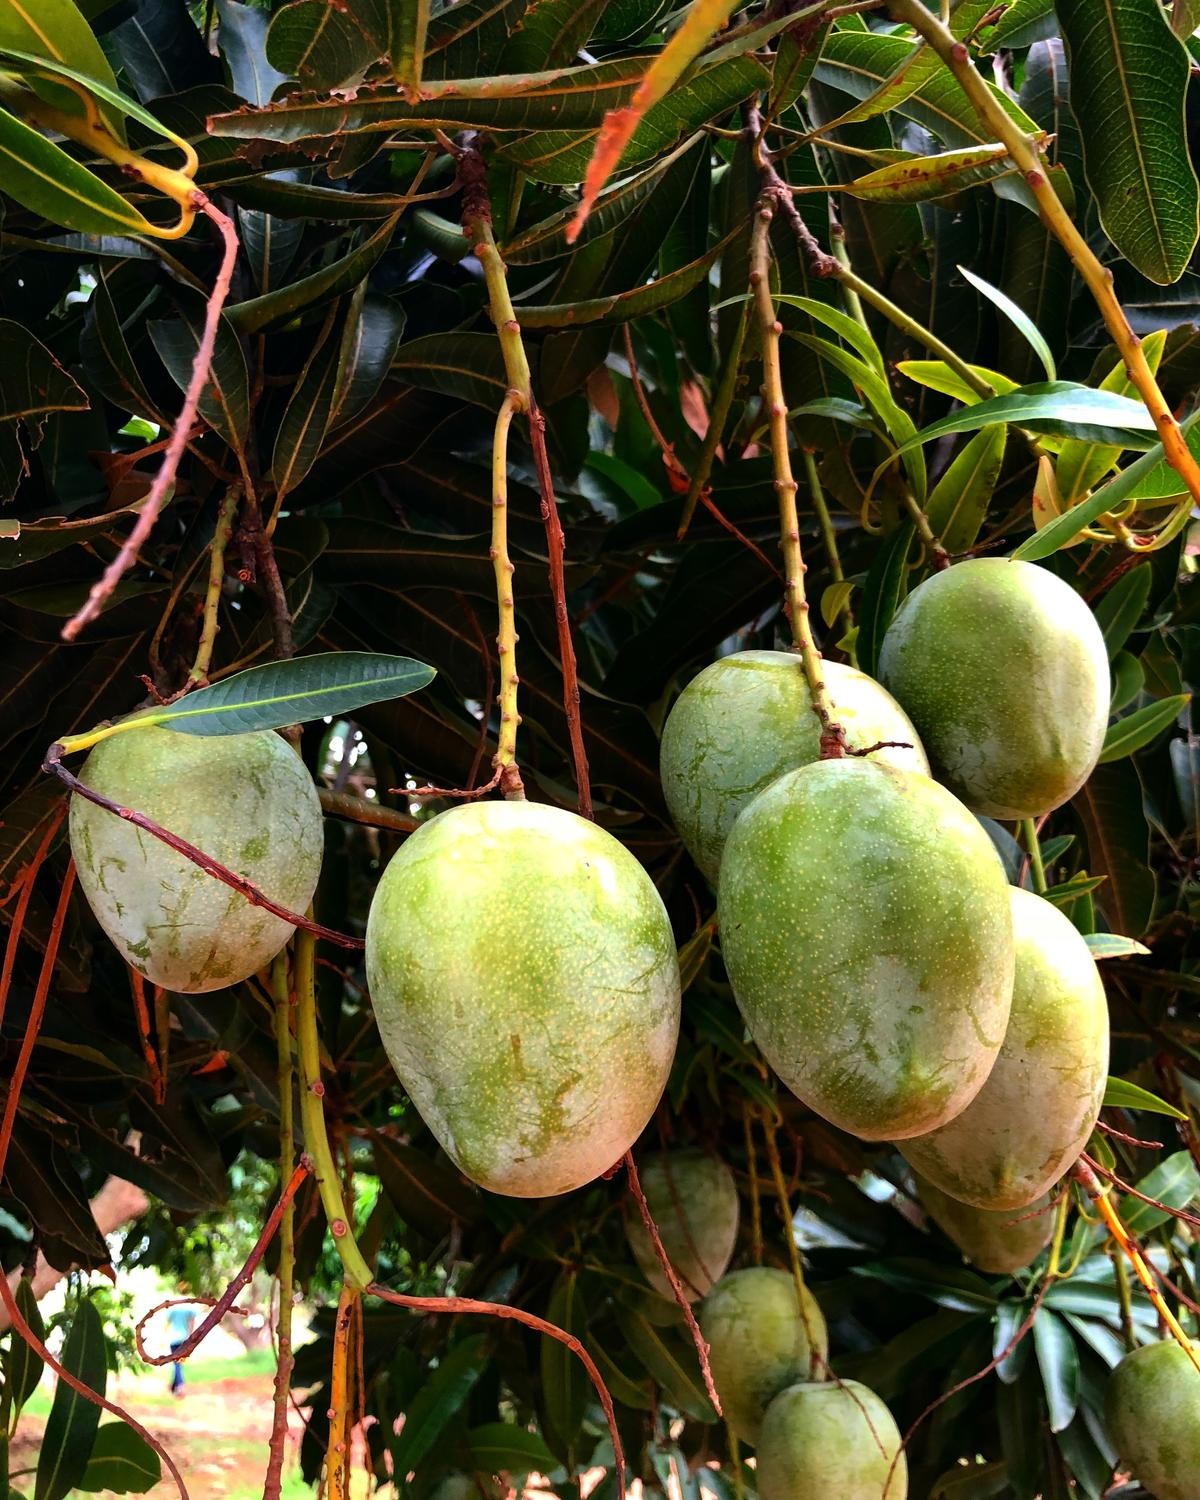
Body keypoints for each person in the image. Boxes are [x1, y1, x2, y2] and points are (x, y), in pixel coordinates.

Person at [165, 1300, 197, 1397]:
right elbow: (192, 1323)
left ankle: (174, 1387)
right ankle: (179, 1387)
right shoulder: (189, 1308)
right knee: (179, 1364)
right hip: (183, 1340)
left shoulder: (173, 1308)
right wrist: (190, 1338)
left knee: (177, 1364)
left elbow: (167, 1324)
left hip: (173, 1340)